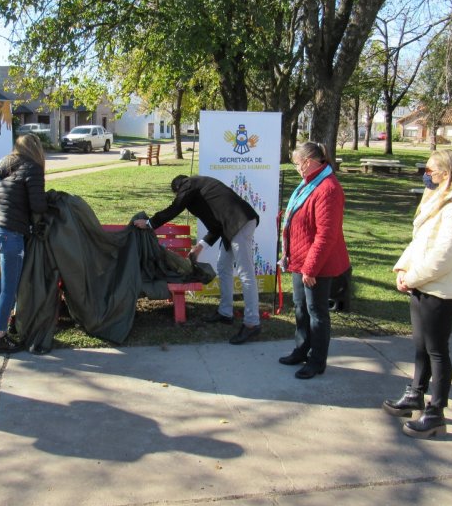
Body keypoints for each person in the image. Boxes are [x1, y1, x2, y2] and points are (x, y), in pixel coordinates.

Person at [383, 150, 452, 439]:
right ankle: (415, 394)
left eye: (429, 170)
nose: (425, 175)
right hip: (423, 285)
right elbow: (420, 242)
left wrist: (413, 278)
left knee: (437, 351)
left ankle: (435, 412)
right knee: (421, 347)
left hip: (442, 290)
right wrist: (403, 269)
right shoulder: (439, 199)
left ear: (446, 173)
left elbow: (443, 256)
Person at [134, 175, 261, 344]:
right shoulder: (200, 192)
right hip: (230, 226)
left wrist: (150, 223)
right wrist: (199, 247)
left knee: (246, 274)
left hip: (240, 222)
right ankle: (225, 313)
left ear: (178, 188)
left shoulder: (190, 183)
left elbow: (176, 206)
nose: (179, 196)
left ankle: (252, 323)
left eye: (177, 193)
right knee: (223, 267)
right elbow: (215, 227)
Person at [278, 142, 351, 379]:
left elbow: (326, 235)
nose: (297, 168)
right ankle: (301, 349)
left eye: (298, 164)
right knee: (300, 308)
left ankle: (317, 361)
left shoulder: (328, 188)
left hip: (318, 264)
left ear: (309, 162)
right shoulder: (310, 183)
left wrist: (310, 268)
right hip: (300, 259)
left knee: (317, 312)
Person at [0, 133, 47, 355]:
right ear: (36, 149)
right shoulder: (32, 168)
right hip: (11, 234)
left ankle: (8, 325)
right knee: (9, 289)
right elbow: (38, 205)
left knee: (9, 285)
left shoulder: (7, 166)